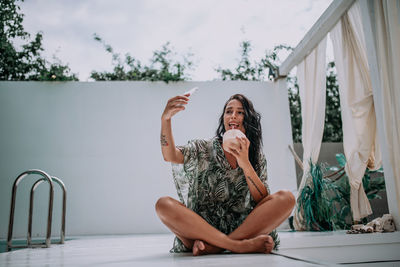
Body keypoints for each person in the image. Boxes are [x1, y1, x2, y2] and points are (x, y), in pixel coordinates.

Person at [156, 93, 295, 256]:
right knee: (163, 205)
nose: (233, 115)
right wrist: (166, 120)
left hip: (244, 228)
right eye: (229, 111)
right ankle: (236, 246)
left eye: (240, 112)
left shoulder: (256, 157)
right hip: (201, 230)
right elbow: (170, 156)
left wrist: (245, 163)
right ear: (224, 119)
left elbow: (262, 200)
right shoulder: (202, 148)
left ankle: (216, 246)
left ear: (248, 120)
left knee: (287, 198)